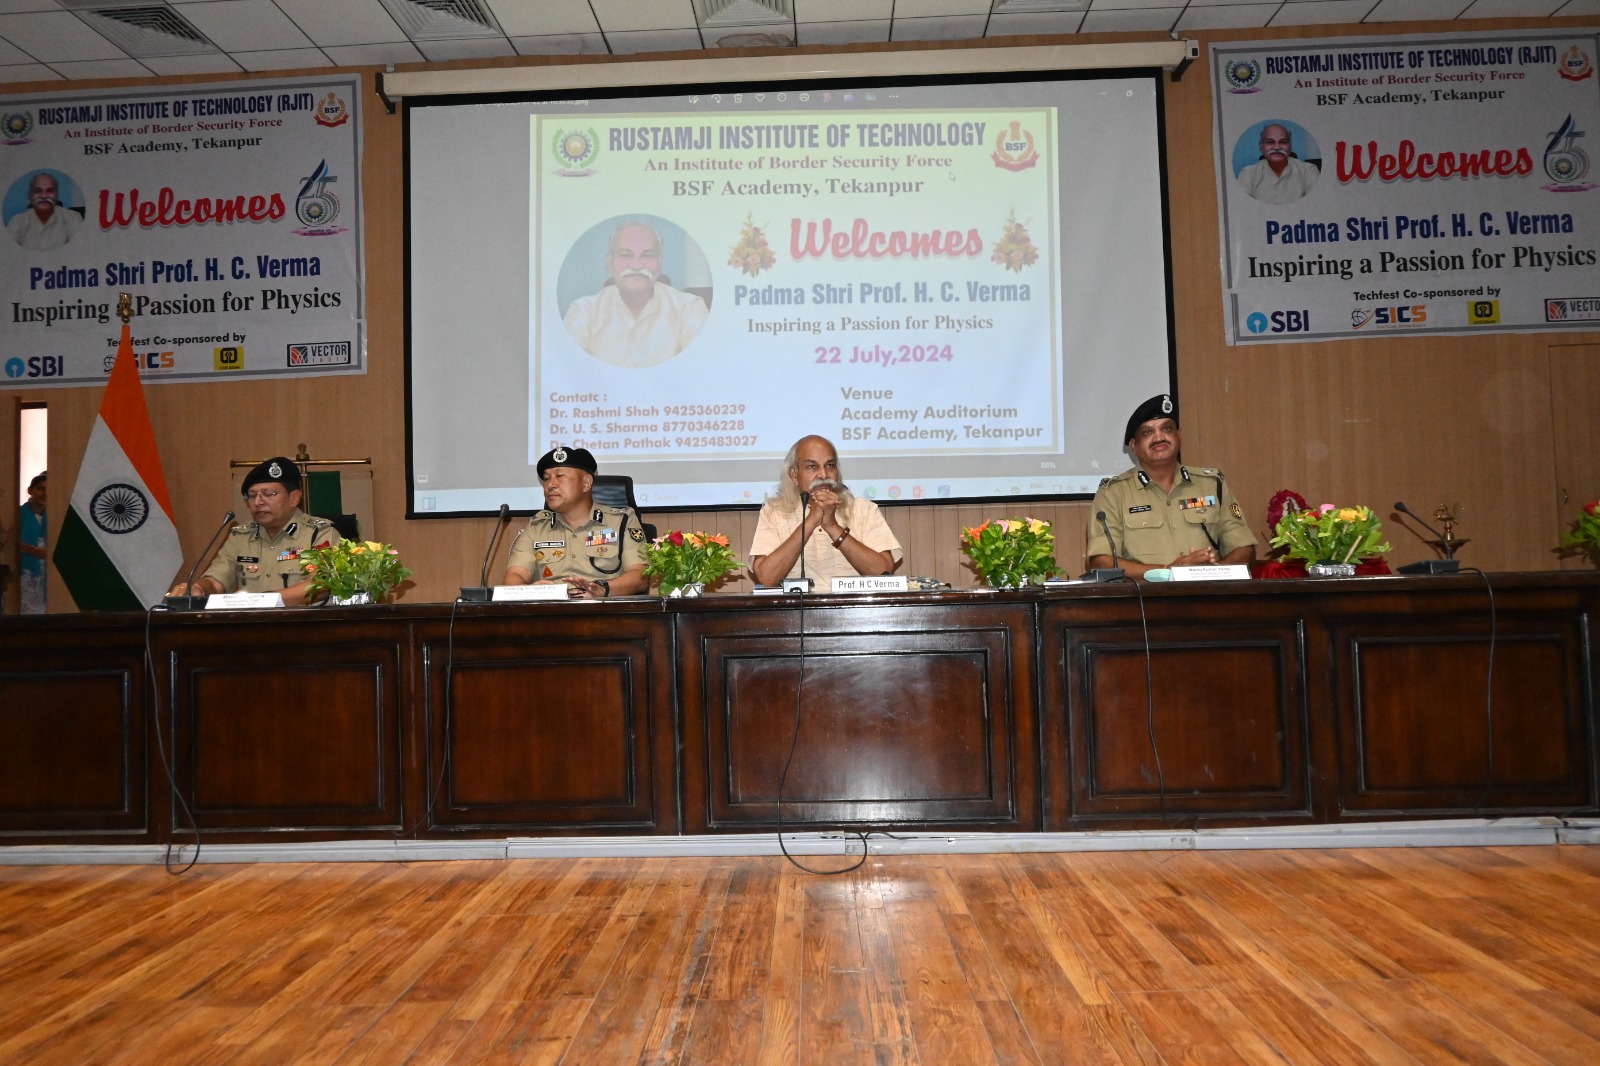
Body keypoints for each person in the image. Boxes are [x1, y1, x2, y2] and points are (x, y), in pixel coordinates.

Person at [1087, 395, 1256, 579]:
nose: (1159, 437)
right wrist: (1168, 572)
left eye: (1167, 428)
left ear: (1179, 434)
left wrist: (1212, 575)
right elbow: (1102, 561)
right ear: (1133, 445)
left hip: (1208, 600)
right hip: (1143, 603)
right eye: (1147, 432)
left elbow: (1244, 548)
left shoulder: (1212, 485)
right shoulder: (1113, 493)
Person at [167, 457, 341, 606]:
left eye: (268, 494)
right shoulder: (240, 537)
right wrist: (199, 588)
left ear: (294, 497)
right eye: (252, 495)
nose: (258, 502)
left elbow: (321, 585)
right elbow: (216, 581)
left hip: (305, 631)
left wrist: (262, 600)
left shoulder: (318, 533)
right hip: (250, 633)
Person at [750, 435, 902, 586]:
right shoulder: (774, 512)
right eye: (812, 466)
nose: (823, 475)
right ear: (794, 475)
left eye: (830, 465)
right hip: (795, 609)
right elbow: (766, 578)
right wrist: (811, 520)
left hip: (855, 608)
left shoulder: (864, 509)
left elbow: (883, 572)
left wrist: (832, 526)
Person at [504, 446, 648, 598]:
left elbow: (640, 576)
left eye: (559, 476)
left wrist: (602, 589)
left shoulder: (621, 522)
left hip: (604, 611)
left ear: (586, 483)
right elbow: (514, 575)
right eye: (546, 478)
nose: (550, 485)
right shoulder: (537, 527)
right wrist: (530, 591)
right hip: (551, 614)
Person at [562, 222, 709, 367]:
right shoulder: (583, 311)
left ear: (660, 263)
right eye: (625, 255)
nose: (636, 265)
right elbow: (570, 372)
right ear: (609, 262)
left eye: (647, 255)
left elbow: (698, 371)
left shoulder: (689, 308)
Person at [1237, 123, 1319, 205]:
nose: (1277, 147)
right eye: (1270, 142)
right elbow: (1243, 207)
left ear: (1290, 146)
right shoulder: (1248, 173)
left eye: (1283, 142)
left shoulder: (1308, 170)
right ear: (1261, 147)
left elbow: (1315, 204)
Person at [8, 172, 81, 251]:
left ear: (56, 195)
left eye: (49, 191)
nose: (44, 196)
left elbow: (79, 251)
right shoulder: (17, 222)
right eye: (38, 191)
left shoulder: (73, 218)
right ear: (30, 196)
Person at [19, 471, 47, 614]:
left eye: (49, 490)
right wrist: (35, 551)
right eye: (40, 488)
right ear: (30, 490)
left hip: (49, 575)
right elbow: (12, 544)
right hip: (26, 573)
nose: (44, 493)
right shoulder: (17, 514)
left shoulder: (54, 517)